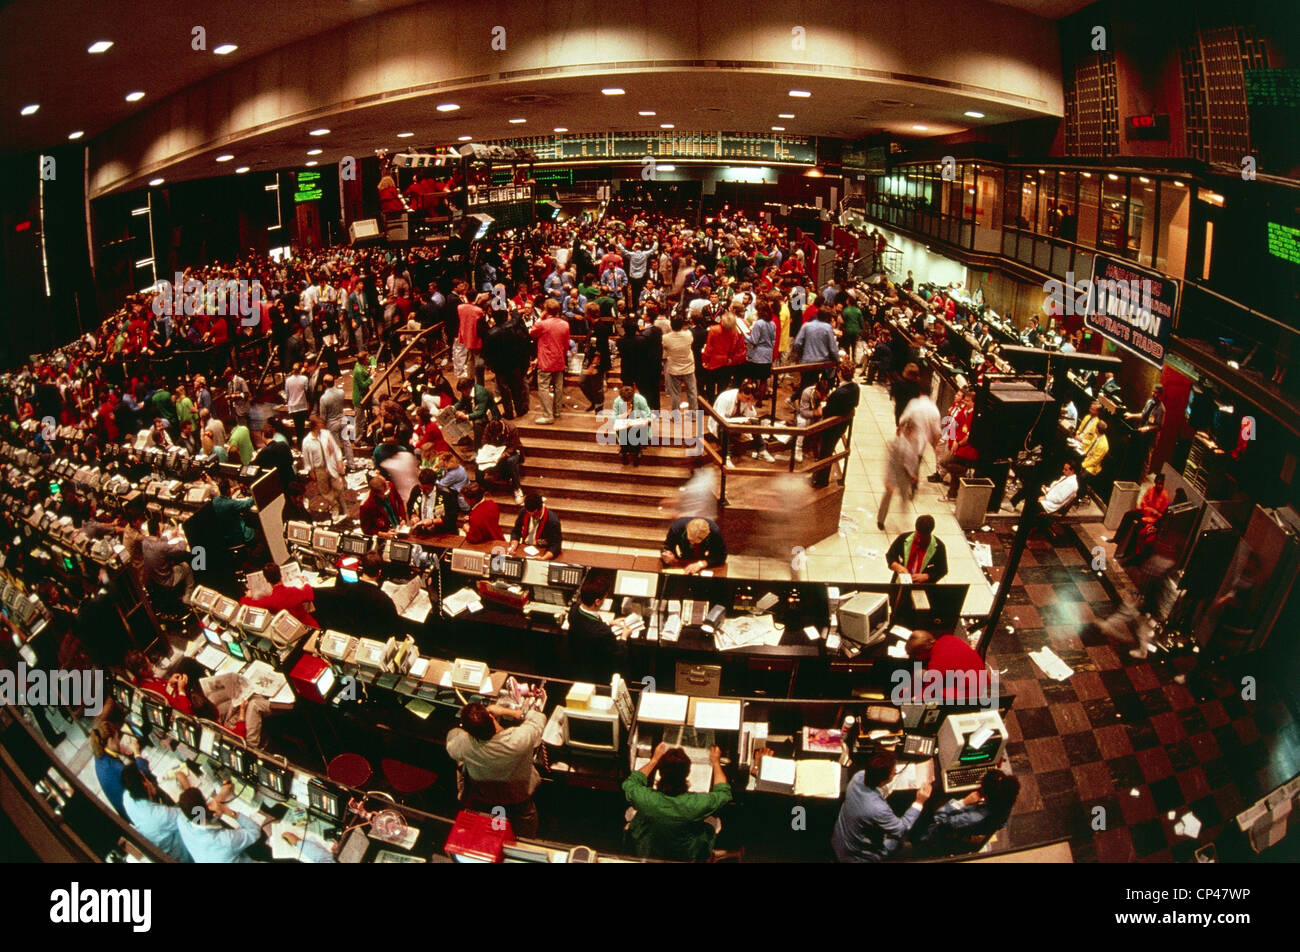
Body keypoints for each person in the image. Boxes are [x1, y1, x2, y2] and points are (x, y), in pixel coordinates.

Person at [446, 697, 547, 837]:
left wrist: (468, 730)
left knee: (495, 831)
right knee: (525, 831)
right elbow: (538, 719)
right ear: (492, 717)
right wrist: (511, 712)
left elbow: (452, 737)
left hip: (487, 800)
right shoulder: (519, 739)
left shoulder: (463, 744)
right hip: (519, 799)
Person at [623, 742, 731, 862]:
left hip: (650, 848)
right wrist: (716, 762)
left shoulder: (648, 799)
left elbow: (631, 783)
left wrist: (654, 760)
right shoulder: (695, 803)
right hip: (686, 853)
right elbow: (723, 793)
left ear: (660, 771)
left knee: (632, 813)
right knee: (714, 821)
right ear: (687, 773)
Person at [831, 749, 930, 862]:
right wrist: (919, 801)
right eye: (893, 772)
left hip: (840, 841)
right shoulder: (877, 809)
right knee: (897, 841)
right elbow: (901, 829)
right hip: (857, 856)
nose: (896, 770)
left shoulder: (858, 777)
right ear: (883, 780)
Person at [914, 771, 1020, 856]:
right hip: (971, 837)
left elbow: (939, 818)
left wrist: (964, 802)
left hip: (934, 838)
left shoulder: (972, 818)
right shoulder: (1006, 804)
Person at [176, 782, 269, 863]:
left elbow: (195, 810)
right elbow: (255, 831)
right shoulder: (225, 840)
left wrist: (220, 796)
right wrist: (227, 811)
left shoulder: (181, 821)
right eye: (206, 801)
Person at [120, 763, 193, 862]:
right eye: (145, 778)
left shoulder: (127, 798)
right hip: (184, 853)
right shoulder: (161, 816)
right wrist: (187, 786)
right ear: (145, 784)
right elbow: (193, 816)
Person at [566, 584, 626, 684]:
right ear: (597, 602)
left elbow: (586, 624)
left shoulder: (574, 609)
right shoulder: (603, 632)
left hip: (577, 664)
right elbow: (618, 654)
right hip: (596, 673)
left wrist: (608, 623)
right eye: (604, 599)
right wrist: (624, 637)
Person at [904, 629, 987, 701]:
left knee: (940, 693)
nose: (917, 658)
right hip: (985, 685)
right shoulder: (949, 638)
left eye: (915, 655)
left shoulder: (937, 663)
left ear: (921, 652)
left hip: (973, 695)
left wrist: (913, 700)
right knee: (920, 673)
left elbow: (929, 691)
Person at [1111, 472, 1170, 563]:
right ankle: (1117, 538)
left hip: (1152, 519)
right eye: (1158, 483)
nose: (1159, 486)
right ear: (1155, 483)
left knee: (1137, 528)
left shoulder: (1165, 497)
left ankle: (1127, 553)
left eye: (1161, 484)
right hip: (1144, 512)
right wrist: (1150, 510)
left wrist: (1154, 513)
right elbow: (1143, 503)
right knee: (1128, 515)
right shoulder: (1150, 489)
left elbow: (1161, 515)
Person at [239, 560, 318, 628]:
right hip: (310, 627)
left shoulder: (270, 601)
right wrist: (306, 582)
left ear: (266, 580)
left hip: (290, 631)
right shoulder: (294, 591)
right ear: (281, 575)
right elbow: (310, 595)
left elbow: (244, 603)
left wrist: (247, 596)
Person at [877, 418, 922, 531]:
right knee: (887, 496)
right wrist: (888, 479)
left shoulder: (915, 442)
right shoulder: (895, 443)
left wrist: (914, 474)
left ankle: (904, 521)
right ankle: (880, 520)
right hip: (895, 472)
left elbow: (915, 460)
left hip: (906, 475)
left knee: (904, 497)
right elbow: (891, 463)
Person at [530, 299, 570, 424]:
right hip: (559, 359)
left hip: (546, 360)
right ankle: (557, 411)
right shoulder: (565, 324)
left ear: (546, 310)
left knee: (543, 387)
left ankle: (548, 415)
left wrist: (540, 318)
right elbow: (567, 344)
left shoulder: (543, 324)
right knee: (558, 386)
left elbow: (531, 332)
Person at [301, 415, 346, 518]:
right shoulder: (307, 441)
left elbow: (335, 448)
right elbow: (306, 458)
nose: (323, 424)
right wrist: (311, 471)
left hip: (331, 465)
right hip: (319, 469)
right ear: (315, 426)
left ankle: (336, 501)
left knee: (339, 487)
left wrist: (339, 461)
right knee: (324, 491)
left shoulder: (326, 434)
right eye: (320, 423)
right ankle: (335, 506)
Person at [886, 514, 948, 583]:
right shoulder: (903, 538)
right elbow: (890, 555)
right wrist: (898, 567)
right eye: (917, 536)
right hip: (900, 582)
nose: (919, 540)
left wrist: (927, 576)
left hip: (923, 586)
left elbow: (942, 570)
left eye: (923, 539)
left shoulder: (939, 547)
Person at [508, 491, 562, 561]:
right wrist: (513, 547)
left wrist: (543, 558)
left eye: (535, 515)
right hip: (525, 548)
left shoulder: (552, 520)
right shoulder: (524, 512)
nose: (532, 517)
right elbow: (516, 531)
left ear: (541, 508)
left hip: (542, 551)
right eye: (530, 514)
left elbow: (556, 545)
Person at [661, 516, 726, 574]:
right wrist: (666, 553)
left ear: (706, 535)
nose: (692, 544)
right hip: (682, 559)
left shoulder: (714, 532)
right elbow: (666, 546)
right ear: (687, 529)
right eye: (690, 540)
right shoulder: (677, 527)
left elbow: (721, 556)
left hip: (703, 560)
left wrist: (701, 564)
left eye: (695, 542)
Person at [610, 384, 653, 466]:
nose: (628, 402)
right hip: (625, 424)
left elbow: (649, 416)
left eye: (629, 400)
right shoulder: (617, 401)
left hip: (638, 424)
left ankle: (636, 452)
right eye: (625, 400)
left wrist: (643, 422)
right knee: (623, 430)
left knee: (635, 430)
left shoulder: (640, 399)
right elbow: (614, 418)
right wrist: (626, 414)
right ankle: (624, 451)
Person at [284, 362, 310, 445]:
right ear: (300, 369)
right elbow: (307, 391)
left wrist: (287, 403)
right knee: (302, 426)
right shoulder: (304, 379)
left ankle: (300, 443)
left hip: (293, 407)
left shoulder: (288, 380)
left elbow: (287, 394)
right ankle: (302, 443)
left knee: (297, 427)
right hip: (302, 406)